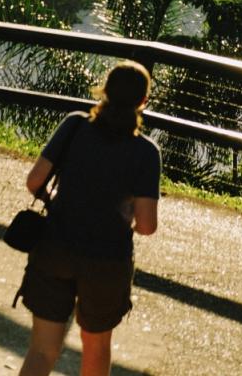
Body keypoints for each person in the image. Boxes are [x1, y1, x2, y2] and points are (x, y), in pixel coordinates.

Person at [17, 61, 161, 376]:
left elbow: (34, 181)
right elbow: (147, 225)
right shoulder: (146, 152)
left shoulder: (74, 126)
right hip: (107, 260)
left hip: (55, 245)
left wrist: (57, 201)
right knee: (96, 349)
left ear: (104, 91)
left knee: (41, 350)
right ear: (143, 102)